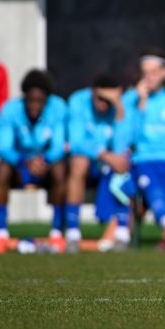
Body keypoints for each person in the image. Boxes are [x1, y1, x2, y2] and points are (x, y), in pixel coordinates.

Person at [0, 70, 68, 253]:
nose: (34, 105)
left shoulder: (58, 108)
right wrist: (25, 161)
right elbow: (5, 147)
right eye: (30, 100)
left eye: (39, 100)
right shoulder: (11, 109)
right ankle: (1, 233)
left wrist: (44, 160)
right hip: (19, 166)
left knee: (60, 170)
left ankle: (57, 232)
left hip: (45, 166)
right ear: (24, 97)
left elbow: (58, 146)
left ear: (47, 100)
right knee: (1, 170)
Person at [122, 52, 165, 251]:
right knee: (153, 188)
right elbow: (130, 137)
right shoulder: (131, 99)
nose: (148, 77)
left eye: (153, 72)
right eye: (145, 73)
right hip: (143, 158)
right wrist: (141, 105)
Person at [67, 74, 133, 252]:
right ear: (93, 93)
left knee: (124, 164)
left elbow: (120, 148)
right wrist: (104, 154)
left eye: (108, 100)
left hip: (110, 168)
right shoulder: (78, 102)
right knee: (79, 162)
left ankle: (121, 233)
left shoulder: (120, 108)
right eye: (100, 98)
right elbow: (76, 142)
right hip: (89, 164)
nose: (104, 104)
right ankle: (72, 233)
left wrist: (119, 110)